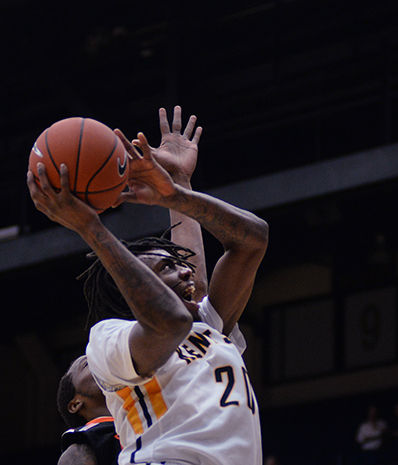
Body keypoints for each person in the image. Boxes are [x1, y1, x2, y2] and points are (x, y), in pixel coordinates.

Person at [27, 106, 269, 465]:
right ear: (133, 288)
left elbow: (253, 239)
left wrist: (177, 192)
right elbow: (168, 321)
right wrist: (90, 228)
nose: (186, 272)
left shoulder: (206, 326)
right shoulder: (107, 340)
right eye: (168, 267)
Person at [56, 355, 121, 465]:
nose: (99, 364)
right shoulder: (83, 442)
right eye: (87, 364)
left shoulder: (142, 417)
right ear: (75, 404)